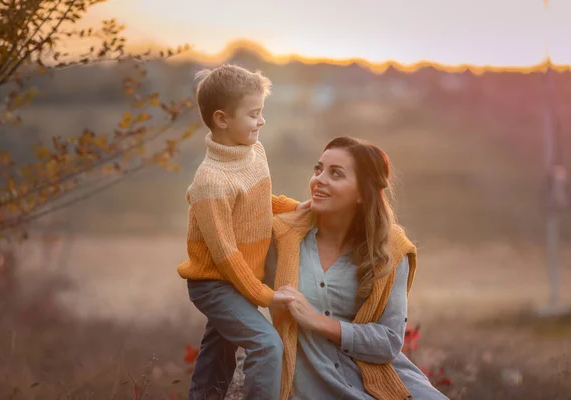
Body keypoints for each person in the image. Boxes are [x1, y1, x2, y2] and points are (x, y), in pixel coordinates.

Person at [265, 136, 449, 400]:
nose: (319, 179)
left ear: (363, 193)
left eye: (335, 174)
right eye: (318, 170)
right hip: (311, 388)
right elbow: (243, 201)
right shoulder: (283, 237)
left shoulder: (392, 250)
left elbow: (388, 341)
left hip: (383, 385)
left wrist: (319, 322)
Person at [177, 64, 310, 400]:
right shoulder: (210, 182)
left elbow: (259, 202)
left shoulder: (253, 152)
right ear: (222, 119)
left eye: (261, 112)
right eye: (253, 114)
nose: (261, 121)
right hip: (215, 283)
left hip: (237, 278)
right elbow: (225, 256)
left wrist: (296, 208)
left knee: (217, 353)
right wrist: (265, 296)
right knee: (266, 344)